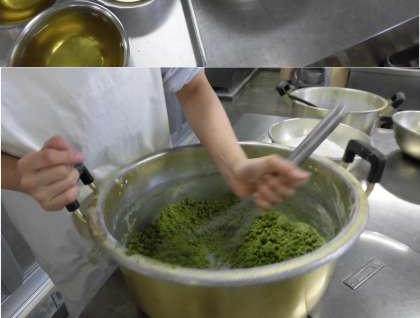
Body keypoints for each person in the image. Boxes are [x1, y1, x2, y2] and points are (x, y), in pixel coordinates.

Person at [1, 68, 309, 317]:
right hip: (62, 223)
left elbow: (192, 86)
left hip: (159, 202)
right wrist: (18, 175)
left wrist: (234, 167)